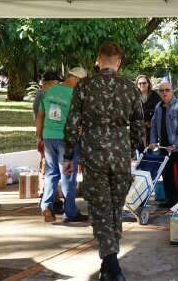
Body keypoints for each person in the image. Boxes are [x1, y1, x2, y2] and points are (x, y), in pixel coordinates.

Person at [64, 42, 144, 280]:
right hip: (119, 156)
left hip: (94, 155)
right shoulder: (130, 89)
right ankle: (109, 265)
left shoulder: (85, 86)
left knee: (100, 210)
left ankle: (112, 266)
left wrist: (69, 154)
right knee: (114, 209)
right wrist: (127, 150)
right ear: (118, 61)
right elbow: (139, 127)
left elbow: (72, 124)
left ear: (99, 60)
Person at [36, 67, 89, 223]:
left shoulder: (49, 91)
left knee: (51, 173)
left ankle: (46, 206)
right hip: (67, 140)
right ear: (76, 79)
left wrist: (38, 136)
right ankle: (70, 212)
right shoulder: (75, 95)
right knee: (68, 175)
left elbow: (40, 115)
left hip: (48, 137)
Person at [149, 81, 178, 207]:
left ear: (172, 91)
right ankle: (171, 201)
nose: (164, 93)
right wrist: (152, 141)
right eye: (161, 90)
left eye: (167, 90)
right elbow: (154, 126)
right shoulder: (158, 107)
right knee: (166, 175)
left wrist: (175, 145)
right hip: (164, 147)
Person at [34, 70, 65, 213]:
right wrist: (39, 137)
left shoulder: (45, 94)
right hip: (49, 136)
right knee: (49, 169)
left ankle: (53, 198)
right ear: (50, 82)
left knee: (51, 170)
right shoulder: (44, 95)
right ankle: (47, 199)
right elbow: (40, 116)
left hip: (47, 135)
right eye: (57, 82)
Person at [135, 75, 161, 146]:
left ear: (148, 84)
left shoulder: (155, 95)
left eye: (144, 83)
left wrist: (151, 122)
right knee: (139, 150)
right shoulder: (134, 96)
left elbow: (159, 111)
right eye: (139, 83)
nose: (142, 85)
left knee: (150, 150)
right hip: (138, 129)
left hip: (151, 128)